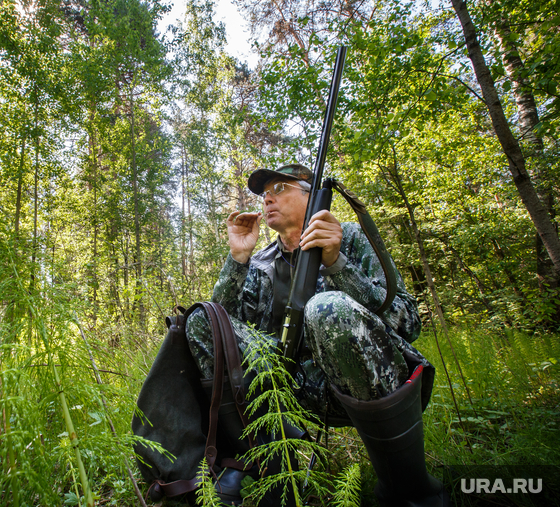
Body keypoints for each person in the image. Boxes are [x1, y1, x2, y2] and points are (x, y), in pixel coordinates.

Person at [185, 163, 447, 506]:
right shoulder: (261, 261)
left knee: (326, 307)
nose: (267, 200)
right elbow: (221, 334)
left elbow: (408, 322)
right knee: (200, 319)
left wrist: (337, 264)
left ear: (312, 198)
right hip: (283, 392)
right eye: (265, 194)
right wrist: (237, 258)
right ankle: (268, 468)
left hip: (359, 383)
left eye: (280, 189)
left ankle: (407, 488)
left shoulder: (351, 237)